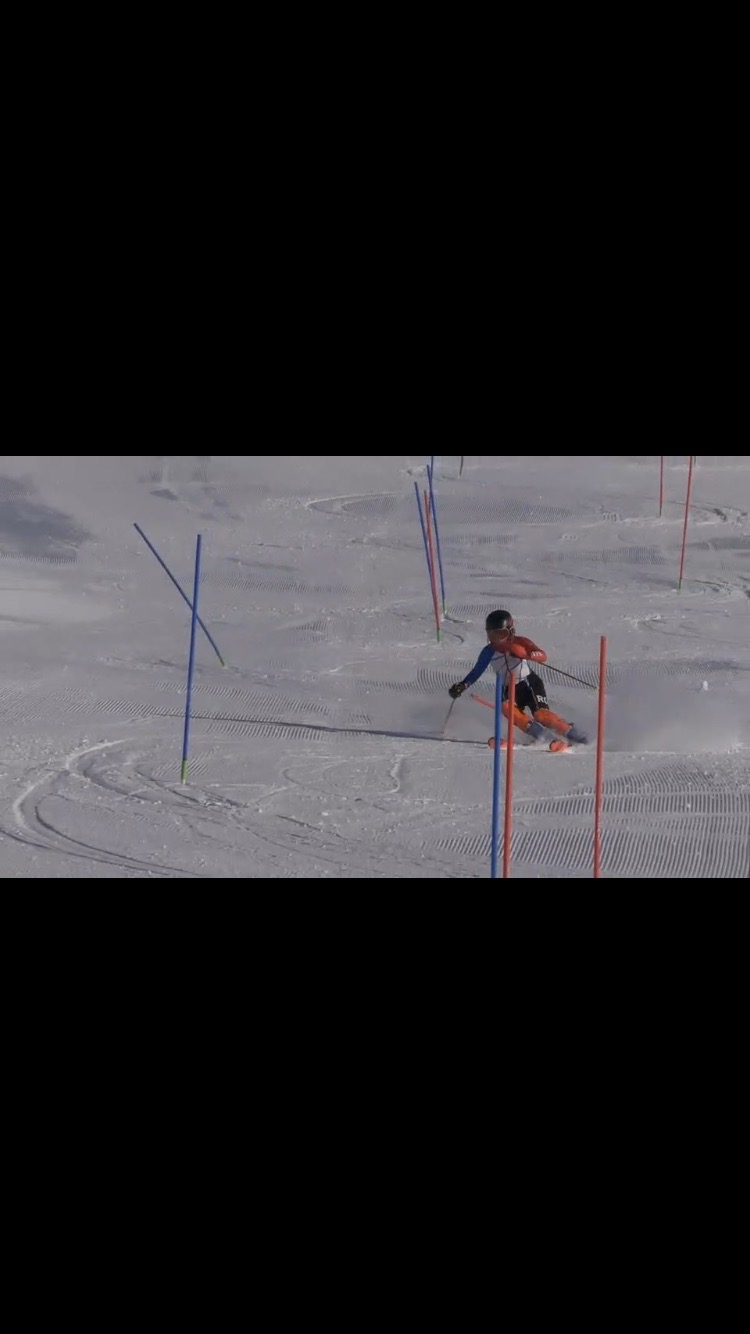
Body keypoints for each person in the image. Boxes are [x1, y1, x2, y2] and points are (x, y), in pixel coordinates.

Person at [448, 610, 588, 748]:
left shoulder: (520, 642)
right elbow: (477, 670)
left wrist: (526, 653)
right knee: (509, 710)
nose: (496, 640)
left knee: (541, 716)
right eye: (492, 635)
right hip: (506, 687)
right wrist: (463, 685)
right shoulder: (488, 651)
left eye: (500, 634)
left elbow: (542, 655)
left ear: (510, 632)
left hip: (528, 683)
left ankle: (575, 735)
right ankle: (544, 737)